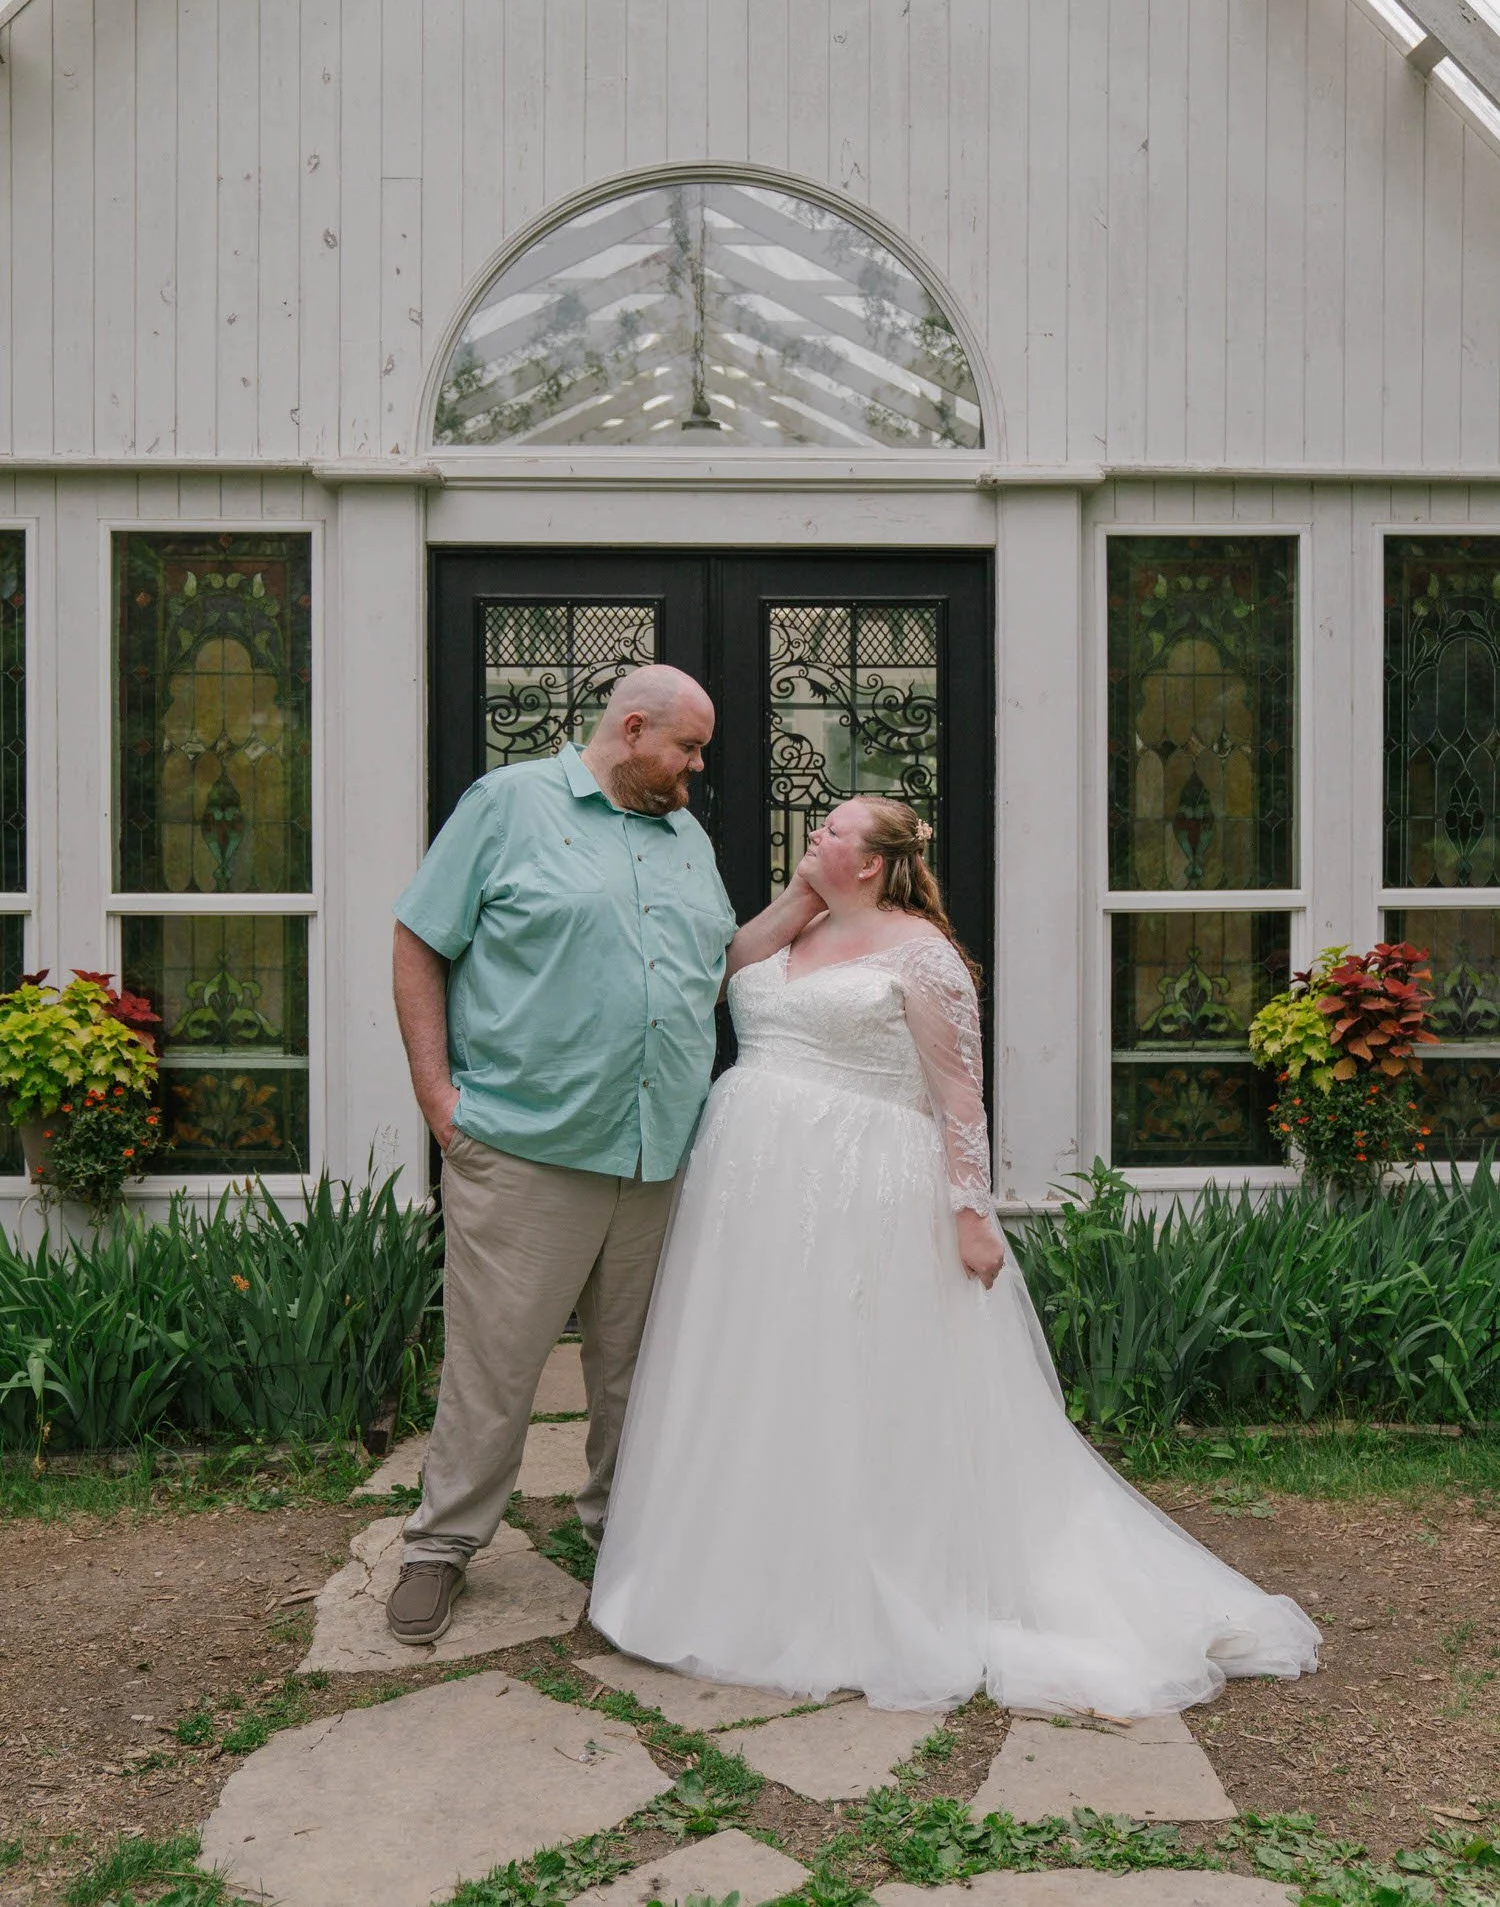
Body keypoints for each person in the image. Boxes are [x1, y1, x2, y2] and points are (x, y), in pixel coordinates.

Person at [590, 798, 1322, 1717]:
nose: (814, 834)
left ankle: (864, 1581)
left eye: (831, 832)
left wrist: (971, 1214)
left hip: (859, 1182)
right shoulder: (795, 927)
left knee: (857, 1378)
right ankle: (744, 1564)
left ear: (874, 862)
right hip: (751, 1191)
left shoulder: (925, 956)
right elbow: (728, 970)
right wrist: (796, 897)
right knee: (762, 1368)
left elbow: (958, 1098)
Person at [384, 666, 812, 1647]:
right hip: (527, 1149)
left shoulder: (684, 836)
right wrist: (438, 1100)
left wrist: (807, 899)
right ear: (631, 729)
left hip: (658, 1152)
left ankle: (626, 1538)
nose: (698, 769)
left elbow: (715, 967)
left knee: (641, 1372)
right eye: (689, 749)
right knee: (496, 1369)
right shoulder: (507, 805)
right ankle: (441, 1547)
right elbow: (419, 940)